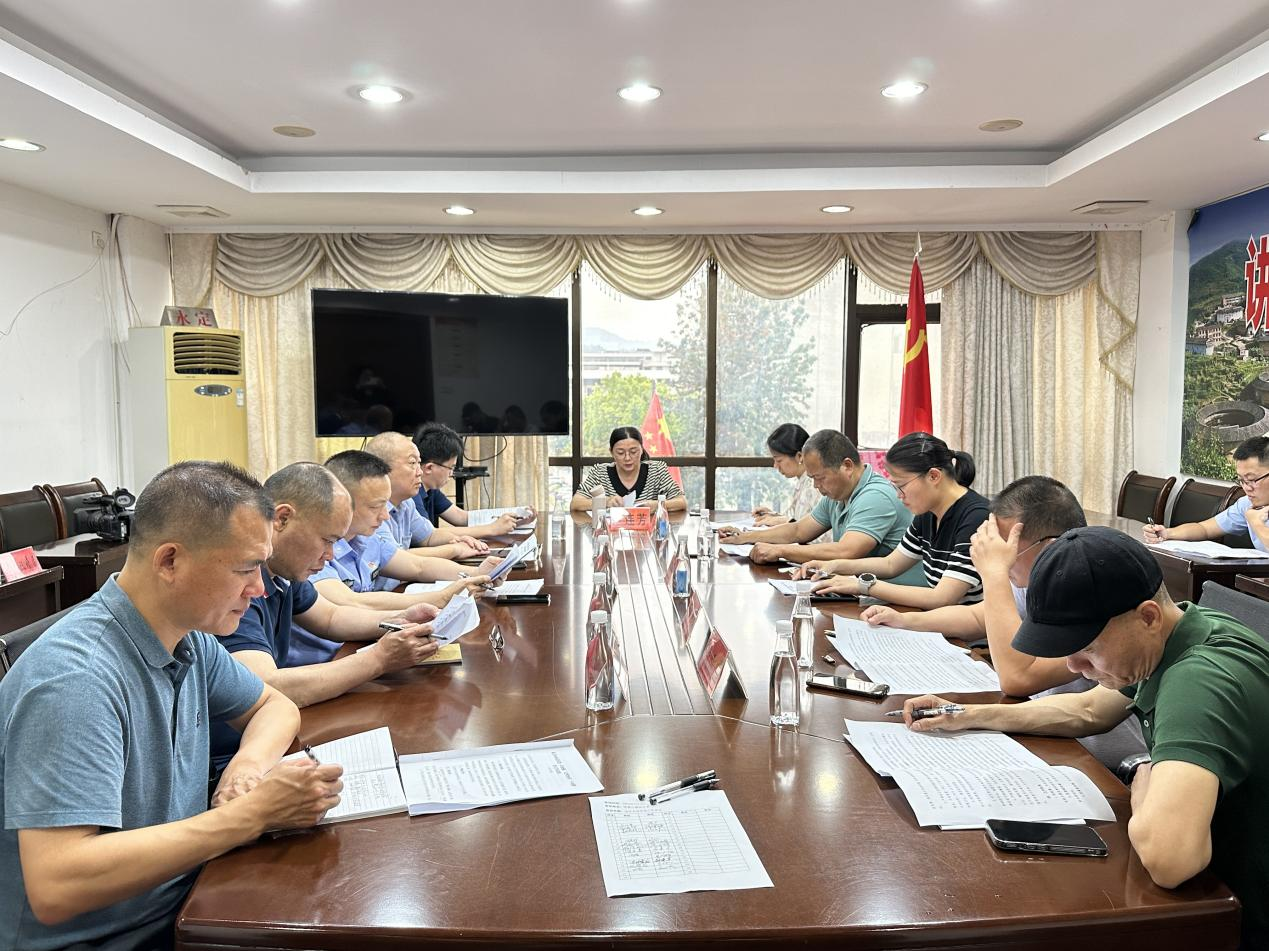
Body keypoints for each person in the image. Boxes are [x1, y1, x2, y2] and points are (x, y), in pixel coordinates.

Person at [0, 461, 343, 950]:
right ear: (169, 562)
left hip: (184, 903)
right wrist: (251, 815)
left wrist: (246, 770)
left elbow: (274, 706)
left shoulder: (188, 637)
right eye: (245, 569)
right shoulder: (76, 680)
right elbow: (57, 885)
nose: (259, 589)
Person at [901, 526, 1269, 948]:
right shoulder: (1180, 633)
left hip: (1239, 916)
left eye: (1088, 648)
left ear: (1148, 616)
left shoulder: (1197, 681)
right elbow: (1089, 709)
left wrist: (1144, 784)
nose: (1074, 667)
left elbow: (1170, 861)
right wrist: (966, 714)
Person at [861, 475, 1144, 768]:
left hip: (1097, 758)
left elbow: (1018, 679)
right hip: (1045, 730)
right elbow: (978, 615)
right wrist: (906, 620)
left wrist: (994, 573)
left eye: (1008, 549)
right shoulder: (1031, 578)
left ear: (1050, 547)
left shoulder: (1089, 591)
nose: (1001, 557)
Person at [210, 462, 444, 773]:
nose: (331, 555)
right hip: (230, 756)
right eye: (327, 540)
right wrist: (379, 659)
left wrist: (399, 619)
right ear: (282, 519)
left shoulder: (283, 573)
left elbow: (331, 617)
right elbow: (265, 687)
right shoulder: (242, 586)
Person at [796, 431, 989, 608]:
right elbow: (891, 564)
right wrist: (835, 565)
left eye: (901, 486)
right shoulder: (928, 514)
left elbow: (942, 597)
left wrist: (864, 585)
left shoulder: (976, 518)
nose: (898, 495)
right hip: (940, 621)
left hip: (967, 632)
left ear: (933, 476)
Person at [307, 450, 494, 617]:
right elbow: (352, 602)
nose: (386, 515)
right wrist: (441, 597)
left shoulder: (367, 539)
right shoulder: (315, 550)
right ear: (341, 503)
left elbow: (418, 566)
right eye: (375, 507)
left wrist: (477, 573)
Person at [722, 429, 923, 584]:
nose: (816, 486)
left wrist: (780, 551)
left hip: (900, 601)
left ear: (847, 466)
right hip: (863, 590)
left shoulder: (875, 496)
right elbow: (799, 530)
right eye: (812, 478)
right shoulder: (838, 494)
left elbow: (846, 551)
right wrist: (745, 537)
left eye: (820, 478)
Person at [1144, 435, 1269, 551]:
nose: (1246, 488)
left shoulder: (1253, 512)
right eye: (1241, 480)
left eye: (1252, 480)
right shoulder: (1246, 504)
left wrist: (1257, 524)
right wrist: (1167, 533)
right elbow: (1204, 529)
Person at [412, 422, 536, 537]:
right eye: (451, 467)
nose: (451, 473)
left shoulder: (431, 489)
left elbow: (461, 518)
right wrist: (491, 529)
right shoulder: (412, 495)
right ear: (429, 468)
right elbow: (430, 535)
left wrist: (516, 517)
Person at [570, 426, 686, 511]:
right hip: (610, 534)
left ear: (642, 450)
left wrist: (657, 505)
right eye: (620, 453)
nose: (627, 458)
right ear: (611, 452)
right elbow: (576, 503)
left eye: (633, 452)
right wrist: (606, 502)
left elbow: (681, 502)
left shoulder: (657, 470)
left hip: (648, 534)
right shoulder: (599, 472)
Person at [749, 423, 819, 526]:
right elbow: (796, 518)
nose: (775, 466)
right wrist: (774, 515)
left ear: (799, 456)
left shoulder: (815, 484)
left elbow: (811, 528)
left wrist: (781, 521)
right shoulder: (803, 481)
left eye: (779, 460)